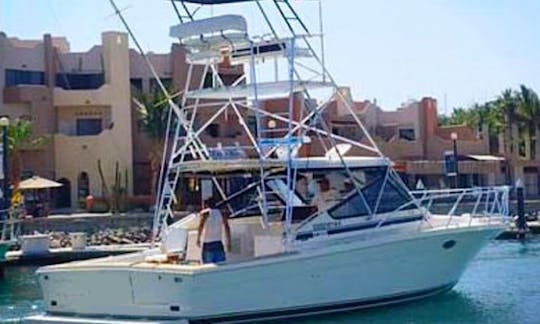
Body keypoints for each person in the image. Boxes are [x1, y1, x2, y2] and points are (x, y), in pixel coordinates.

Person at [196, 196, 232, 264]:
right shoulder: (221, 213)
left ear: (207, 205)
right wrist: (229, 242)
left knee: (207, 267)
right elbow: (227, 228)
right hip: (218, 243)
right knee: (221, 266)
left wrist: (198, 239)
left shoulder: (205, 213)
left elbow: (201, 226)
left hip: (208, 244)